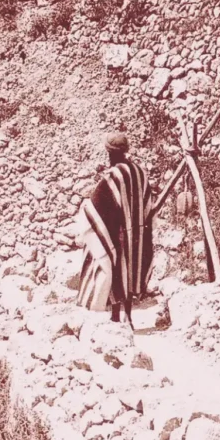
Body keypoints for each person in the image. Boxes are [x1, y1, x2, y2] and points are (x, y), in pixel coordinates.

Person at [75, 132, 157, 327]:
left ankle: (115, 316)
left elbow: (97, 204)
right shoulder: (140, 172)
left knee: (116, 270)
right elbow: (148, 203)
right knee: (130, 271)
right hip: (136, 235)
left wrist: (85, 211)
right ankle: (128, 316)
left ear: (110, 153)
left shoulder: (113, 176)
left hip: (119, 234)